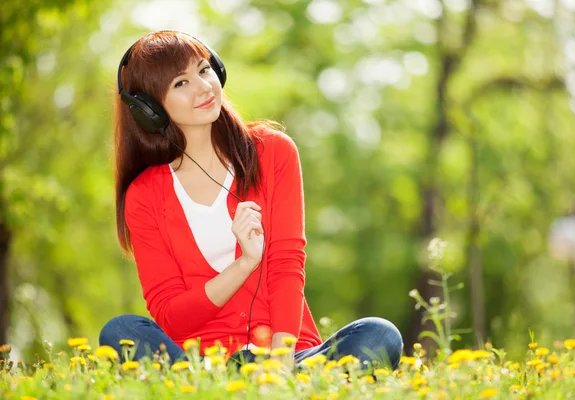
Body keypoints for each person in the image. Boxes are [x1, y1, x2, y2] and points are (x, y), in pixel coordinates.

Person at [98, 30, 403, 370]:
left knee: (380, 335)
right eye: (180, 84)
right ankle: (226, 384)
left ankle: (241, 387)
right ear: (150, 109)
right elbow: (171, 318)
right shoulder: (145, 194)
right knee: (121, 330)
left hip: (287, 354)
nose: (202, 87)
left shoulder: (273, 152)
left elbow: (288, 263)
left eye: (203, 70)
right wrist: (244, 264)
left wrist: (281, 365)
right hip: (201, 362)